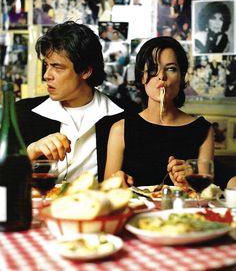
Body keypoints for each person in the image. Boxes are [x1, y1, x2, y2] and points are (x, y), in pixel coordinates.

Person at [16, 21, 124, 183]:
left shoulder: (124, 115)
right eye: (47, 65)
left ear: (86, 71)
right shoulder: (22, 112)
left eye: (57, 67)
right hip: (40, 207)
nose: (47, 75)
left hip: (97, 206)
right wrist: (31, 151)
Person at [104, 36, 214, 187]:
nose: (162, 76)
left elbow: (205, 191)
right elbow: (107, 191)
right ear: (142, 77)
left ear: (181, 77)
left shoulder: (203, 130)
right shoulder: (120, 129)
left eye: (171, 69)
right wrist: (116, 181)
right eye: (153, 69)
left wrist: (189, 180)